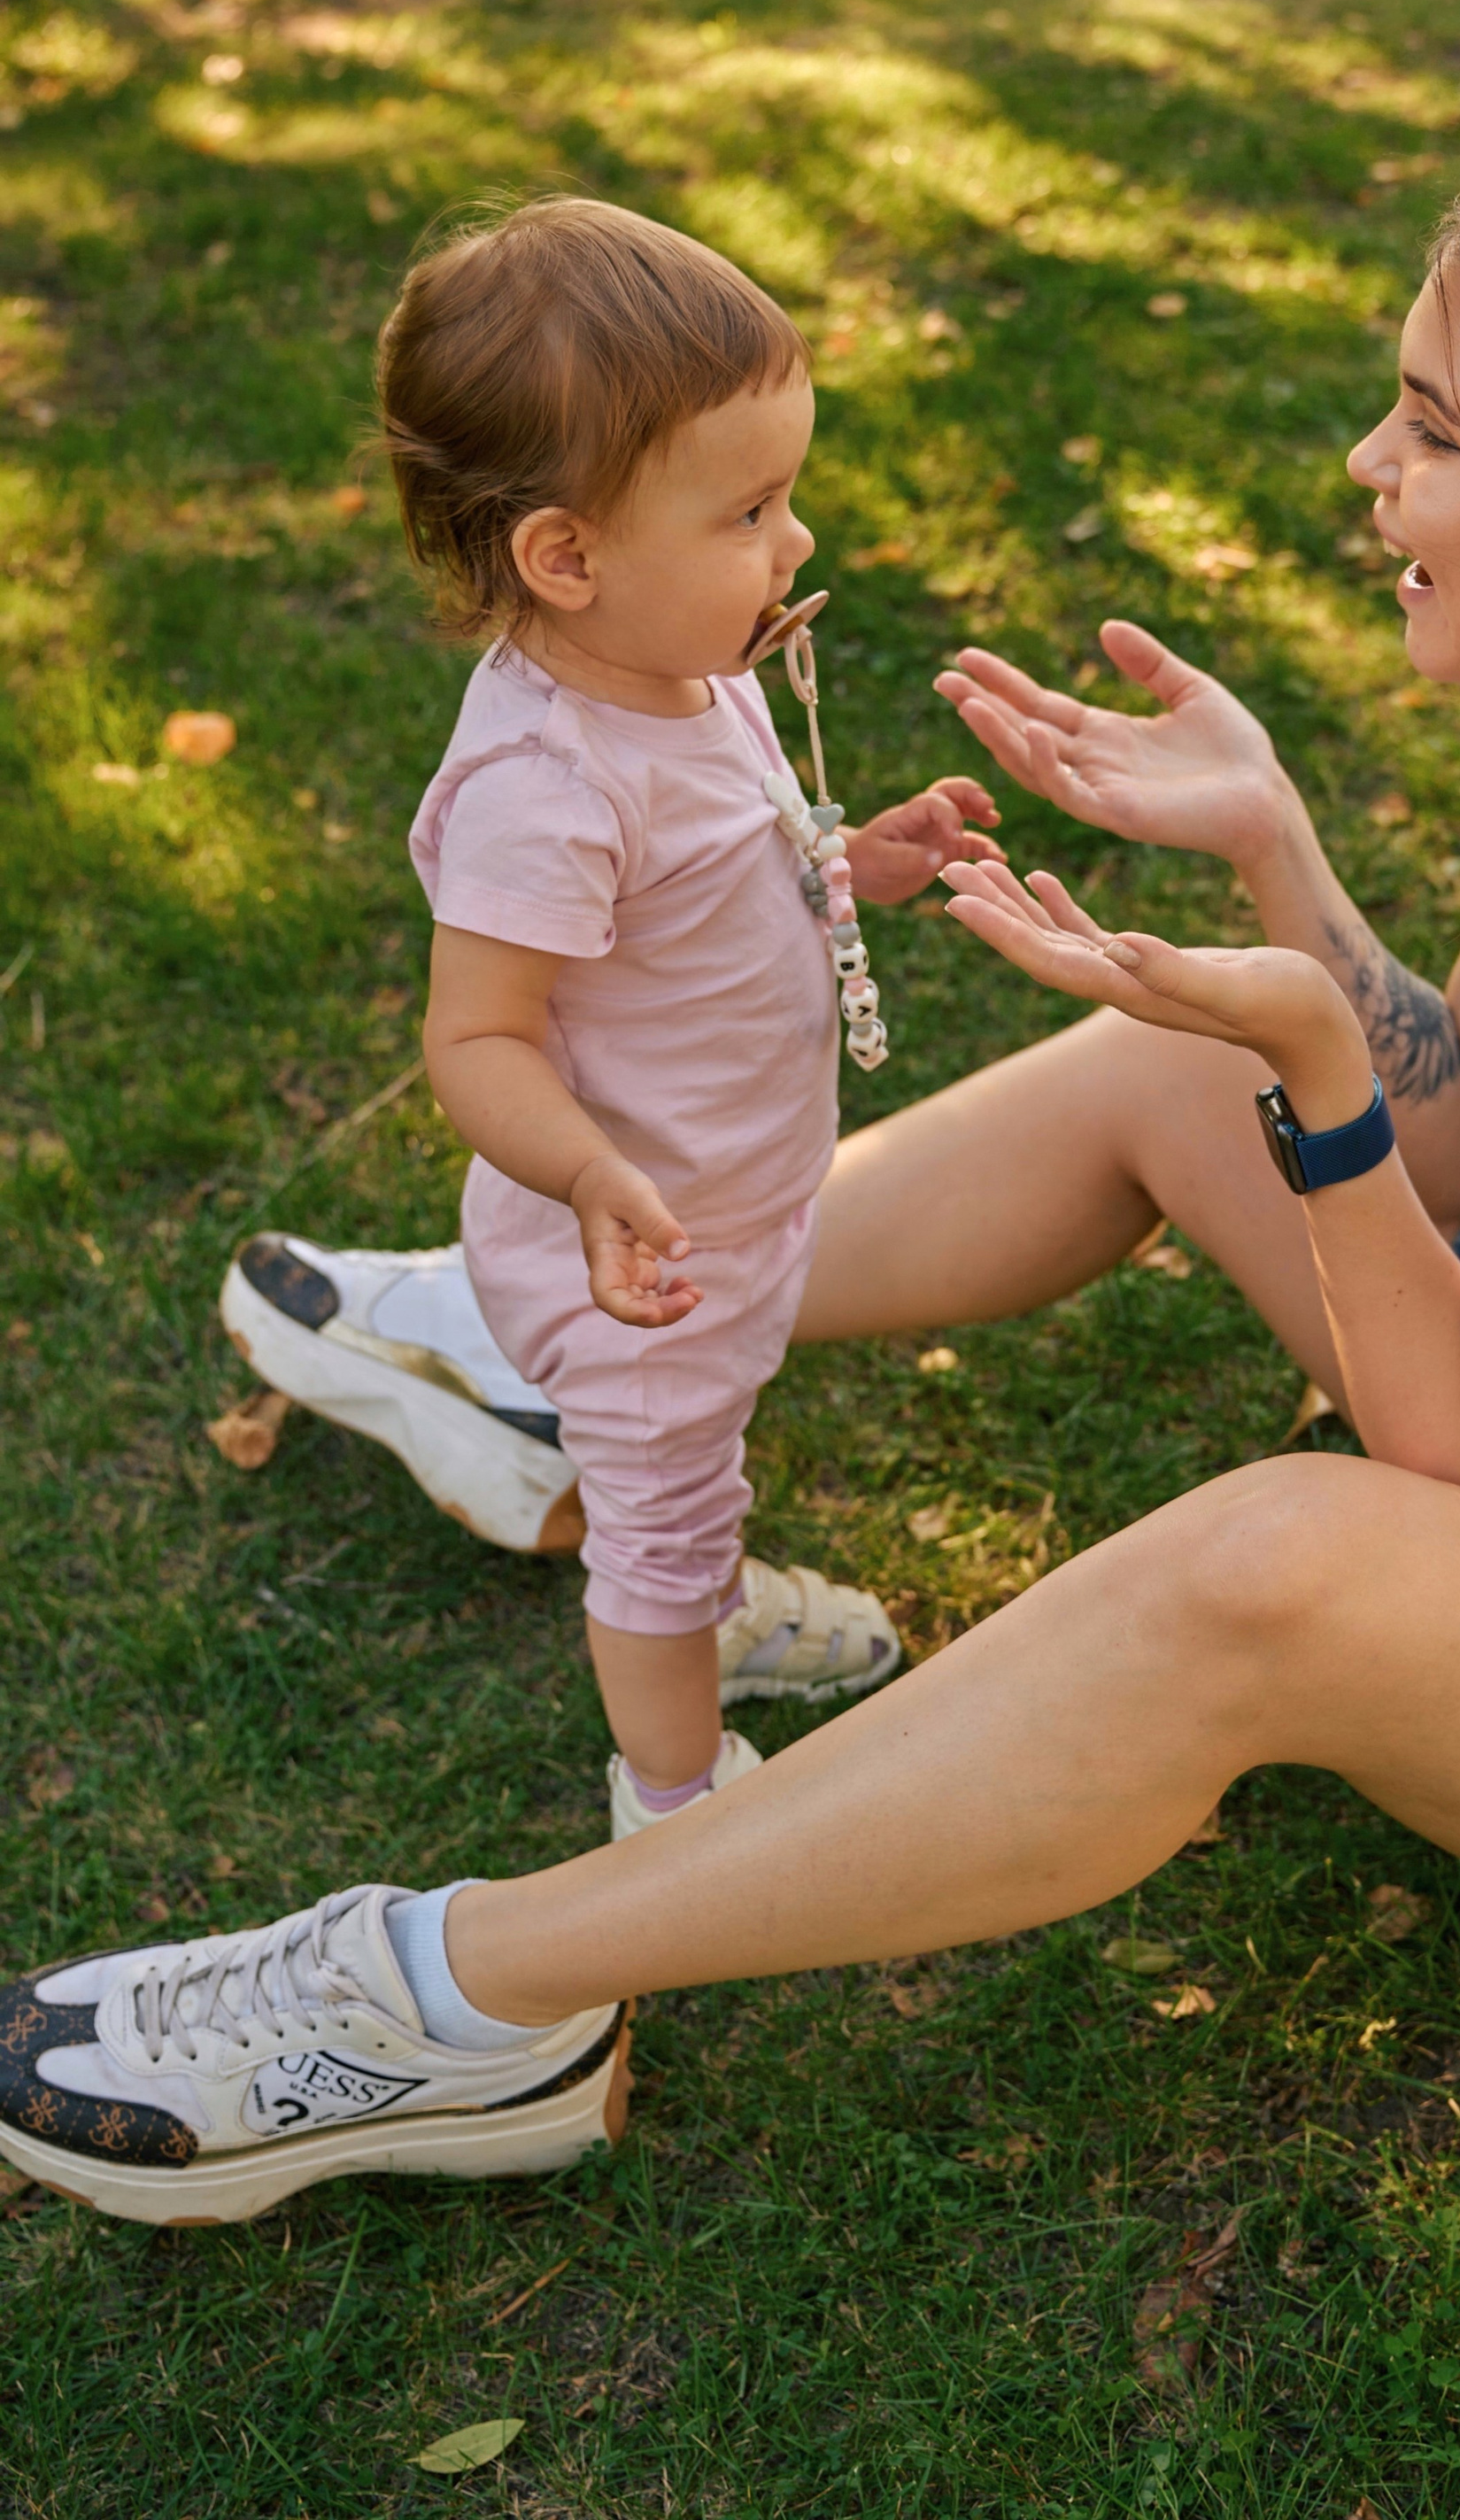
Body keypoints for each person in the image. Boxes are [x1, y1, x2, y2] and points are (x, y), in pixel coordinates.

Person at [0, 118, 1460, 2230]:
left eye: (1429, 428)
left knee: (1272, 1568)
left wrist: (1302, 1045)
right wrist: (1271, 853)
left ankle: (472, 1995)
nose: (1364, 471)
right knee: (1155, 1065)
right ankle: (518, 1332)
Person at [242, 197, 1010, 1846]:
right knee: (657, 1529)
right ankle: (676, 1808)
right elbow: (482, 1042)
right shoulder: (544, 785)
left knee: (702, 1465)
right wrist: (588, 1178)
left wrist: (855, 862)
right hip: (638, 1256)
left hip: (733, 1199)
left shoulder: (689, 672)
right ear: (567, 557)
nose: (793, 542)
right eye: (748, 510)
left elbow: (722, 880)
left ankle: (692, 1603)